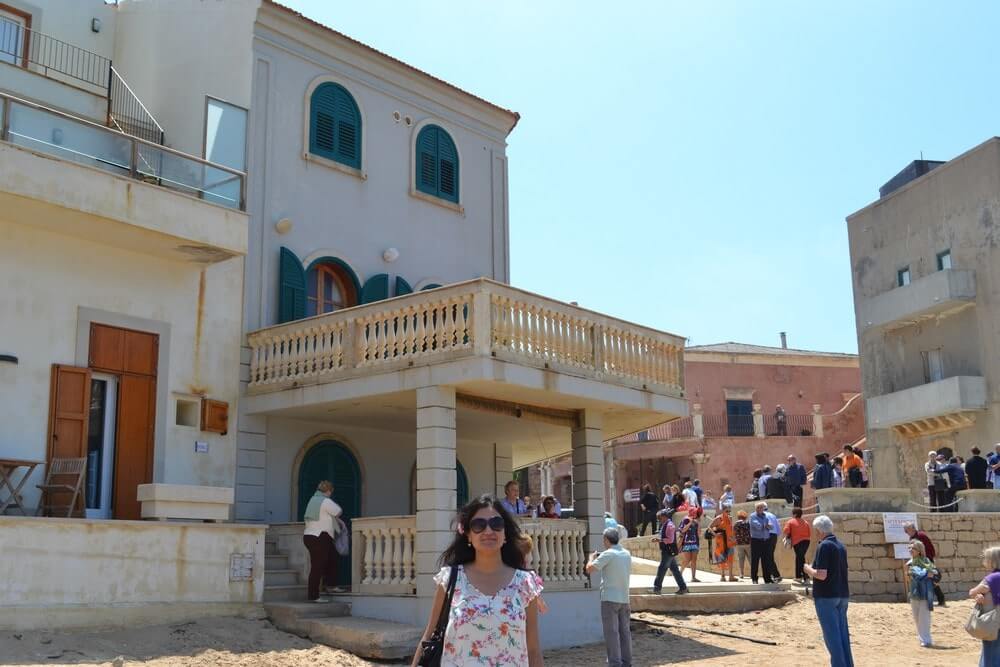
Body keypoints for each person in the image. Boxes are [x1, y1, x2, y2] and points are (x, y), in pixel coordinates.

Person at [411, 495, 543, 667]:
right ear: (468, 535)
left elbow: (533, 649)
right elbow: (428, 637)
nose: (488, 531)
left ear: (505, 534)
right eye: (479, 525)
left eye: (496, 524)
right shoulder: (451, 579)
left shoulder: (525, 584)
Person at [804, 515, 854, 667]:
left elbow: (821, 574)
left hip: (826, 596)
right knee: (842, 634)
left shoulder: (824, 546)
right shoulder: (841, 545)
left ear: (819, 530)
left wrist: (808, 569)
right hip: (842, 594)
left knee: (832, 637)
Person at [586, 528, 633, 667]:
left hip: (609, 599)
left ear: (606, 540)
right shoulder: (626, 553)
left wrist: (591, 558)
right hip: (624, 598)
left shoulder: (608, 554)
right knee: (625, 632)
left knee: (611, 633)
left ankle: (615, 663)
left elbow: (589, 569)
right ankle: (627, 662)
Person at [302, 480, 343, 603]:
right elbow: (338, 511)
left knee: (333, 558)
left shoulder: (313, 499)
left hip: (310, 536)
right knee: (317, 566)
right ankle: (313, 595)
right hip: (320, 537)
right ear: (329, 491)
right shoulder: (325, 501)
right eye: (331, 491)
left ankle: (331, 585)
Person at [968, 545, 1000, 666]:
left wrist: (978, 592)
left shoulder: (990, 578)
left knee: (990, 652)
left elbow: (972, 592)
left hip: (992, 621)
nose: (984, 561)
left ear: (992, 561)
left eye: (986, 558)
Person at [903, 523, 945, 607]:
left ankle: (941, 599)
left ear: (911, 529)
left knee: (932, 580)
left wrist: (927, 560)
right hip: (918, 562)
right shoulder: (912, 538)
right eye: (905, 531)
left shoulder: (921, 536)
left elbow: (931, 549)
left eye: (906, 530)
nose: (905, 532)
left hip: (926, 561)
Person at [905, 539, 937, 648]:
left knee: (924, 618)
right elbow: (917, 575)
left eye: (912, 548)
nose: (910, 550)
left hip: (925, 593)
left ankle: (926, 640)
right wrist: (926, 573)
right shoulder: (910, 563)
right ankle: (922, 638)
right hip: (914, 593)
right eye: (909, 548)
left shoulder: (926, 561)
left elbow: (934, 572)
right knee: (917, 618)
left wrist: (927, 573)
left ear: (919, 550)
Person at [650, 509, 688, 595]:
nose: (659, 520)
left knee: (662, 568)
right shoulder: (665, 525)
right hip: (668, 550)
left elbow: (670, 540)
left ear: (664, 517)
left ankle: (657, 588)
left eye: (659, 518)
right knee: (675, 570)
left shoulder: (670, 526)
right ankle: (683, 587)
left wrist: (659, 539)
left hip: (668, 550)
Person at [709, 503, 737, 582]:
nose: (728, 512)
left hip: (730, 541)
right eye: (727, 511)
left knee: (730, 558)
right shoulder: (718, 518)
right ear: (723, 510)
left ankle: (731, 576)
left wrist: (734, 538)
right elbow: (709, 527)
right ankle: (722, 575)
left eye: (729, 511)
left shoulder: (730, 518)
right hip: (721, 541)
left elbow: (731, 529)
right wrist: (715, 534)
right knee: (722, 558)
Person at [783, 507, 812, 582]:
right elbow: (809, 532)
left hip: (797, 542)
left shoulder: (791, 521)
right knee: (800, 558)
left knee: (800, 558)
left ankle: (804, 577)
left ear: (795, 514)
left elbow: (786, 531)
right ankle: (800, 576)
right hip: (806, 541)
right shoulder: (805, 522)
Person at [749, 502, 774, 584]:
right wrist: (766, 525)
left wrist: (767, 525)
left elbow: (771, 526)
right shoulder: (753, 516)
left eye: (761, 507)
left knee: (766, 560)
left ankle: (767, 578)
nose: (759, 509)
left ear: (763, 508)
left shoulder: (765, 516)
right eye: (758, 508)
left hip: (765, 540)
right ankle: (754, 578)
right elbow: (758, 526)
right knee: (755, 560)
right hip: (756, 540)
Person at [678, 507, 701, 583]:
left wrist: (699, 524)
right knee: (687, 560)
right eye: (694, 512)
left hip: (695, 543)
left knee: (694, 560)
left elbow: (698, 533)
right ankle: (679, 574)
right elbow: (682, 530)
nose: (696, 514)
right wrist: (690, 522)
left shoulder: (696, 521)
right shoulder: (685, 519)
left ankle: (693, 577)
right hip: (686, 543)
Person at [765, 503, 783, 582]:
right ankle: (773, 575)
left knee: (767, 557)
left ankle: (776, 575)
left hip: (766, 536)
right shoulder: (772, 515)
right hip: (773, 536)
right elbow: (778, 530)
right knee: (769, 556)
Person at [733, 510, 752, 579]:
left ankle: (741, 574)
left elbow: (734, 533)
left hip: (739, 544)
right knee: (750, 559)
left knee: (741, 559)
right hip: (748, 543)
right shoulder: (748, 523)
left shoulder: (736, 524)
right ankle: (753, 573)